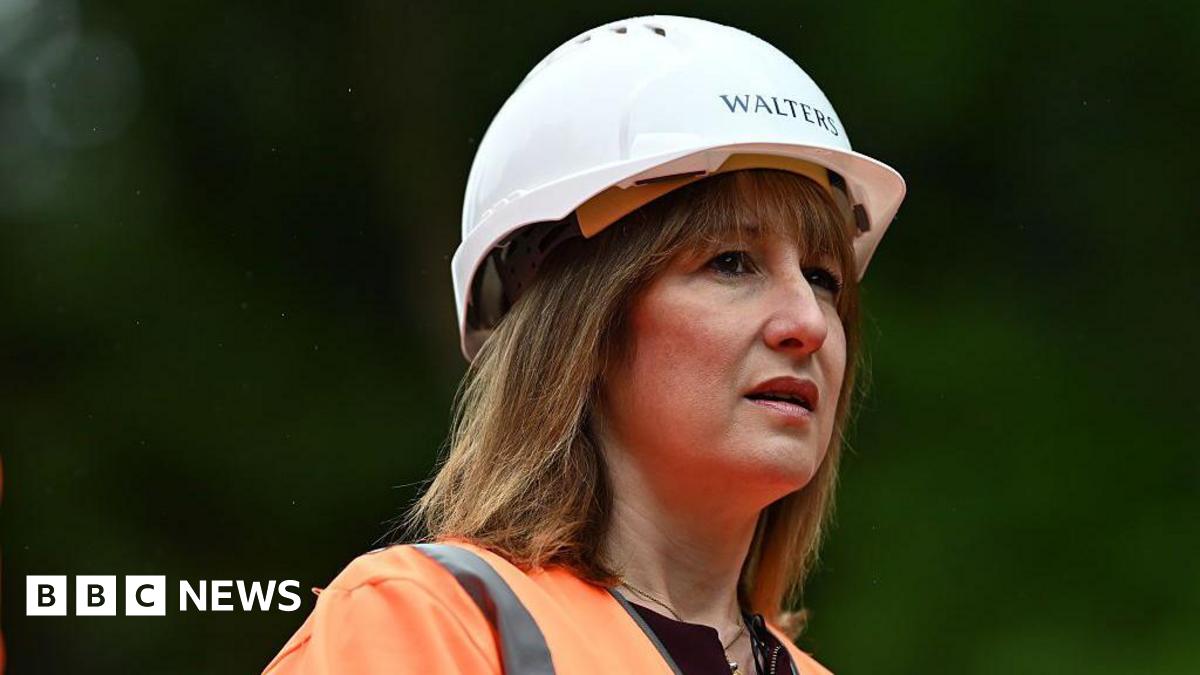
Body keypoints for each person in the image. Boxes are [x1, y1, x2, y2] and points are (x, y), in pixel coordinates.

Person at [263, 14, 904, 675]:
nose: (810, 322)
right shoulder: (426, 625)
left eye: (824, 278)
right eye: (732, 262)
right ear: (581, 325)